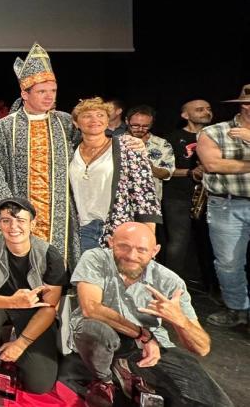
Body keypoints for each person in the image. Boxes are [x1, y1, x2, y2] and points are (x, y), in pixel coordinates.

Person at [72, 223, 232, 407]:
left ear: (155, 251)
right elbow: (91, 308)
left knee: (212, 401)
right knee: (95, 329)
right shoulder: (95, 258)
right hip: (107, 340)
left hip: (150, 348)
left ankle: (128, 376)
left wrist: (179, 320)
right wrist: (144, 336)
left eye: (141, 250)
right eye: (124, 246)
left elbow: (202, 348)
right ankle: (105, 381)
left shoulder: (169, 281)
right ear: (110, 242)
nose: (131, 256)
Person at [0, 43, 82, 269]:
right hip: (18, 214)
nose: (49, 97)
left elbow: (91, 150)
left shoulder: (67, 122)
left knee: (57, 269)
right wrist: (11, 208)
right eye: (42, 91)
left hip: (59, 214)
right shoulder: (4, 127)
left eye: (53, 91)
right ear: (24, 93)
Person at [0, 197, 66, 394]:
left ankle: (15, 344)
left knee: (39, 385)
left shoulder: (50, 254)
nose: (13, 227)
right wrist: (12, 301)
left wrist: (22, 344)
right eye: (6, 221)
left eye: (20, 220)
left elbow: (50, 308)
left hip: (34, 313)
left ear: (32, 224)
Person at [69, 97, 161, 252]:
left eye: (100, 115)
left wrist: (148, 237)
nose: (94, 120)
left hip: (117, 229)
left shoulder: (128, 147)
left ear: (107, 121)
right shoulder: (69, 151)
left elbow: (145, 195)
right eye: (87, 116)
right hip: (80, 229)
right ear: (76, 123)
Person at [197, 84, 250, 328]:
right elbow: (213, 165)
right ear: (242, 104)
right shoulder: (214, 132)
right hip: (227, 205)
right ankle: (237, 309)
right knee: (229, 262)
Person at [161, 99, 214, 286]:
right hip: (178, 196)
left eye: (208, 109)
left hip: (212, 197)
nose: (206, 112)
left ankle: (212, 286)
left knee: (212, 244)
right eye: (199, 110)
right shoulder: (173, 138)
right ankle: (170, 286)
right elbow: (164, 170)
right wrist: (191, 172)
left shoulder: (217, 135)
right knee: (178, 243)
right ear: (185, 115)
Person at [125, 105, 175, 203]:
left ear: (151, 124)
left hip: (150, 200)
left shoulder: (161, 144)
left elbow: (167, 173)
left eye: (145, 126)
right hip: (121, 199)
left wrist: (149, 167)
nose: (140, 129)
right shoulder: (116, 142)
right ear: (127, 121)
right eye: (135, 125)